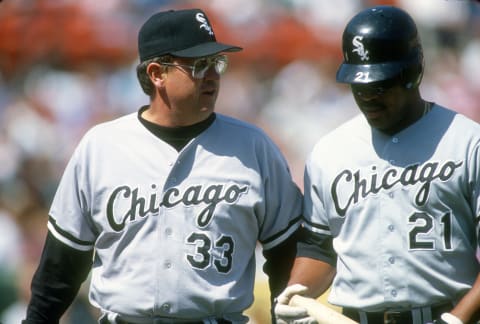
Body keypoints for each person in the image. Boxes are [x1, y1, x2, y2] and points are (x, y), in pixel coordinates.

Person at [22, 8, 303, 324]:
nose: (212, 74)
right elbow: (62, 264)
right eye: (198, 65)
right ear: (156, 73)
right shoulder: (101, 146)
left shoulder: (253, 147)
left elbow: (287, 253)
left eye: (216, 62)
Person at [274, 5, 480, 324]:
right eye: (359, 85)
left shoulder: (467, 141)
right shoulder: (329, 152)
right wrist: (297, 292)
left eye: (379, 85)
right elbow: (320, 248)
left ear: (412, 73)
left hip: (450, 313)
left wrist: (458, 318)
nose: (368, 96)